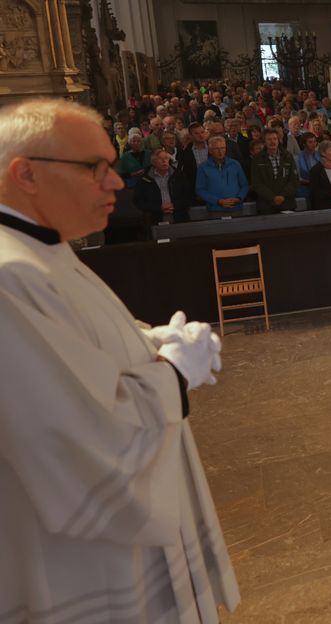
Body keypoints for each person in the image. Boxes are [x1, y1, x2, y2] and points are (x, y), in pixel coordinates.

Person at [0, 99, 239, 621]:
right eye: (95, 168)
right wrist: (174, 375)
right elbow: (74, 435)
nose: (115, 184)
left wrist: (153, 342)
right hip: (84, 565)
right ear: (25, 174)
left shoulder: (41, 248)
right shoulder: (9, 274)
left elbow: (78, 346)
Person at [132, 147, 190, 231]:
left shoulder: (179, 175)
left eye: (166, 158)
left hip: (179, 216)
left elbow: (188, 196)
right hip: (155, 217)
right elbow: (138, 200)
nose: (164, 161)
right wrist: (158, 207)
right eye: (160, 159)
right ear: (153, 162)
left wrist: (174, 206)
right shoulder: (145, 179)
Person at [249, 129, 299, 214]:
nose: (272, 142)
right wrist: (272, 197)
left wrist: (282, 195)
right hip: (266, 204)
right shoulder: (257, 159)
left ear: (278, 140)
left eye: (275, 139)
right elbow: (256, 183)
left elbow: (294, 180)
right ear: (264, 142)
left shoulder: (288, 156)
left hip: (287, 203)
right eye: (269, 139)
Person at [195, 135, 249, 213]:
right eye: (217, 149)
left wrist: (239, 198)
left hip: (235, 208)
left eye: (222, 148)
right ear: (210, 151)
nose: (220, 151)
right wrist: (218, 201)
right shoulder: (203, 167)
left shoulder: (235, 164)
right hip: (215, 209)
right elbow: (200, 190)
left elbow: (244, 185)